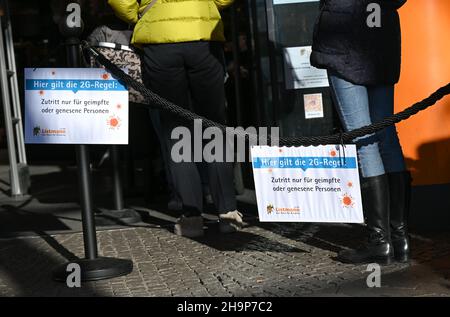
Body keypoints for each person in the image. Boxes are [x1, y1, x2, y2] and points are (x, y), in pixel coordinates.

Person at [108, 0, 243, 237]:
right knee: (214, 127)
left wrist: (141, 16)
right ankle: (228, 213)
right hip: (203, 38)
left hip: (159, 42)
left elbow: (120, 2)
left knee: (175, 129)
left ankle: (191, 217)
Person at [311, 0, 411, 264]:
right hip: (381, 37)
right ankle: (399, 238)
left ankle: (379, 242)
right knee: (386, 136)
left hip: (345, 38)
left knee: (365, 138)